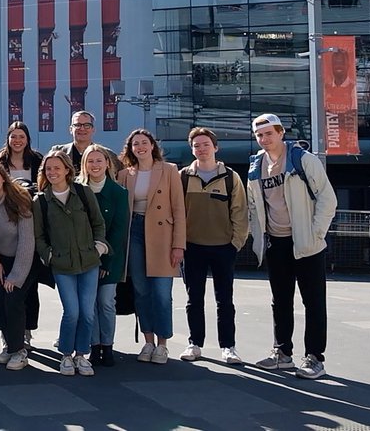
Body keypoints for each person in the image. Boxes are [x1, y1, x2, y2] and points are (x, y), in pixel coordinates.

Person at [247, 114, 337, 380]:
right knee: (280, 301)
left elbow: (327, 200)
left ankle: (314, 357)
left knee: (313, 301)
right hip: (276, 242)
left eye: (268, 134)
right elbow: (254, 205)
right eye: (259, 135)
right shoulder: (256, 166)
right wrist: (258, 237)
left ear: (281, 133)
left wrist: (315, 233)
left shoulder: (303, 160)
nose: (264, 140)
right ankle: (282, 353)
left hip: (306, 242)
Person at [33, 149, 107, 377]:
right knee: (72, 311)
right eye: (48, 169)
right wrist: (50, 256)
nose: (53, 172)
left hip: (89, 262)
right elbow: (39, 236)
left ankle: (81, 355)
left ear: (67, 169)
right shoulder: (41, 201)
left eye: (57, 167)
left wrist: (98, 248)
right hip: (63, 265)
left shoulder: (83, 192)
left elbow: (98, 223)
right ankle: (66, 354)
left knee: (87, 312)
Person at [178, 127, 249, 365]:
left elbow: (240, 211)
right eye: (196, 145)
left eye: (205, 144)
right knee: (193, 299)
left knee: (225, 300)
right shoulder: (183, 176)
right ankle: (195, 343)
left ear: (215, 147)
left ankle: (228, 346)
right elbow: (176, 212)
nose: (201, 149)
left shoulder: (231, 177)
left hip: (223, 247)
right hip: (192, 247)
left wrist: (235, 243)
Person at [116, 129, 186, 365]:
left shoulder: (169, 171)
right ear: (130, 148)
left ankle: (163, 344)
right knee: (141, 290)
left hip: (162, 235)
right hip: (134, 231)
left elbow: (179, 209)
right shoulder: (125, 174)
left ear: (152, 145)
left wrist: (179, 245)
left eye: (144, 142)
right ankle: (148, 341)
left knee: (161, 293)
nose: (140, 147)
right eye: (135, 144)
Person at [0, 158, 37, 371]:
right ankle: (8, 345)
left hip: (23, 260)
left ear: (3, 177)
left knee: (13, 301)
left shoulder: (19, 200)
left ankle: (19, 350)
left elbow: (27, 241)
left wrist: (16, 276)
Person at [77, 144, 129, 367]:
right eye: (90, 161)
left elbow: (118, 230)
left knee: (106, 302)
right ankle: (94, 345)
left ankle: (107, 346)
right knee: (88, 305)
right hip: (82, 258)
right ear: (84, 165)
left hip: (110, 258)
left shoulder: (118, 192)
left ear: (107, 164)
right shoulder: (77, 190)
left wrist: (104, 260)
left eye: (99, 160)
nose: (95, 165)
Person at [0, 121, 42, 186]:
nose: (17, 140)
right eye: (13, 137)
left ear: (27, 140)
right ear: (8, 139)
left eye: (22, 137)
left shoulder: (38, 159)